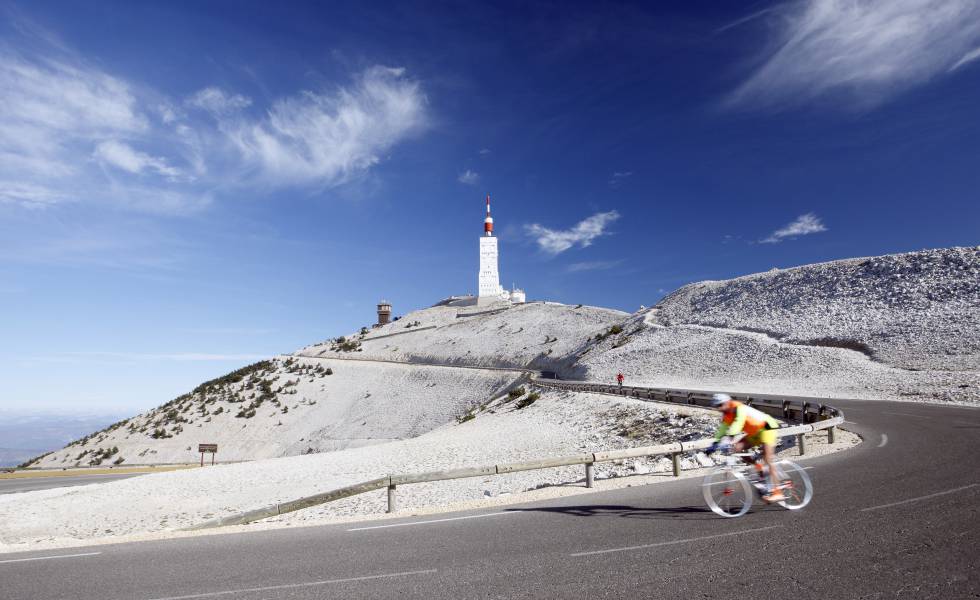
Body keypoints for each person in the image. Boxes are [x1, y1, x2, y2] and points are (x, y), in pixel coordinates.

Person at [705, 393, 784, 503]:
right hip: (754, 433)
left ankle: (778, 493)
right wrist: (714, 444)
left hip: (766, 427)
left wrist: (731, 435)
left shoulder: (738, 408)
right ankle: (759, 467)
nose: (719, 408)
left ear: (728, 402)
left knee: (767, 459)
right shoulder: (726, 415)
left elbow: (739, 422)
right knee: (737, 449)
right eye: (716, 406)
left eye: (720, 405)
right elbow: (722, 430)